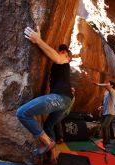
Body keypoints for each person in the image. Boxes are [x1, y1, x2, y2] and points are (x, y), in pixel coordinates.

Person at [17, 26, 73, 157]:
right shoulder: (61, 68)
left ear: (68, 56)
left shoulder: (64, 61)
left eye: (63, 51)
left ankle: (47, 142)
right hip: (64, 101)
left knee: (22, 113)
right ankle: (52, 157)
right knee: (48, 125)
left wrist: (38, 40)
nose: (60, 52)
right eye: (60, 50)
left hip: (60, 98)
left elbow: (58, 58)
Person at [93, 81, 115, 147]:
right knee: (107, 127)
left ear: (111, 86)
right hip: (105, 112)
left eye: (108, 83)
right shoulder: (106, 93)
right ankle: (107, 141)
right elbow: (106, 103)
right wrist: (101, 107)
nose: (106, 84)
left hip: (110, 113)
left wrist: (97, 84)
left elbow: (106, 85)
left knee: (105, 126)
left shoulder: (113, 91)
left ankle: (106, 143)